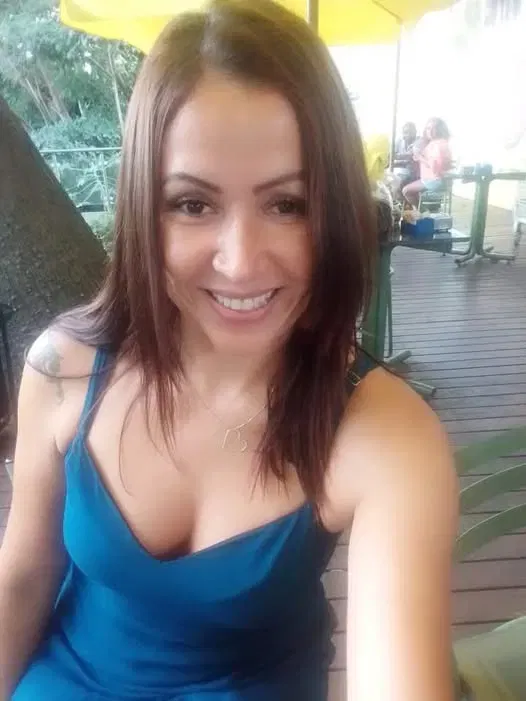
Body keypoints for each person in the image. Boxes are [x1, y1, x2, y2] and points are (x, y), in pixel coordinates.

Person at [0, 1, 458, 700]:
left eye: (287, 205)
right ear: (143, 207)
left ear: (333, 211)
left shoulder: (383, 435)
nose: (240, 262)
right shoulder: (63, 369)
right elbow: (23, 579)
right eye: (193, 204)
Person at [402, 117, 453, 208]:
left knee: (406, 191)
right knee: (413, 184)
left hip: (434, 180)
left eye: (434, 128)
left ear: (439, 129)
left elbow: (434, 168)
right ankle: (427, 210)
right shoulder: (442, 142)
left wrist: (419, 157)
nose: (430, 131)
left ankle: (424, 212)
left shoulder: (437, 145)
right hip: (442, 181)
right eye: (428, 128)